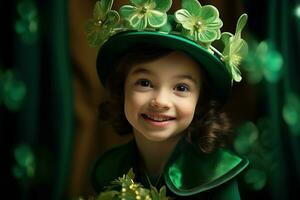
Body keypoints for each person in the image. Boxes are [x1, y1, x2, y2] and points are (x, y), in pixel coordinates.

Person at [86, 0, 249, 199]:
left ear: (200, 101)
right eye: (144, 83)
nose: (161, 101)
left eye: (181, 88)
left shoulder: (216, 175)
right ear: (122, 88)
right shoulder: (109, 170)